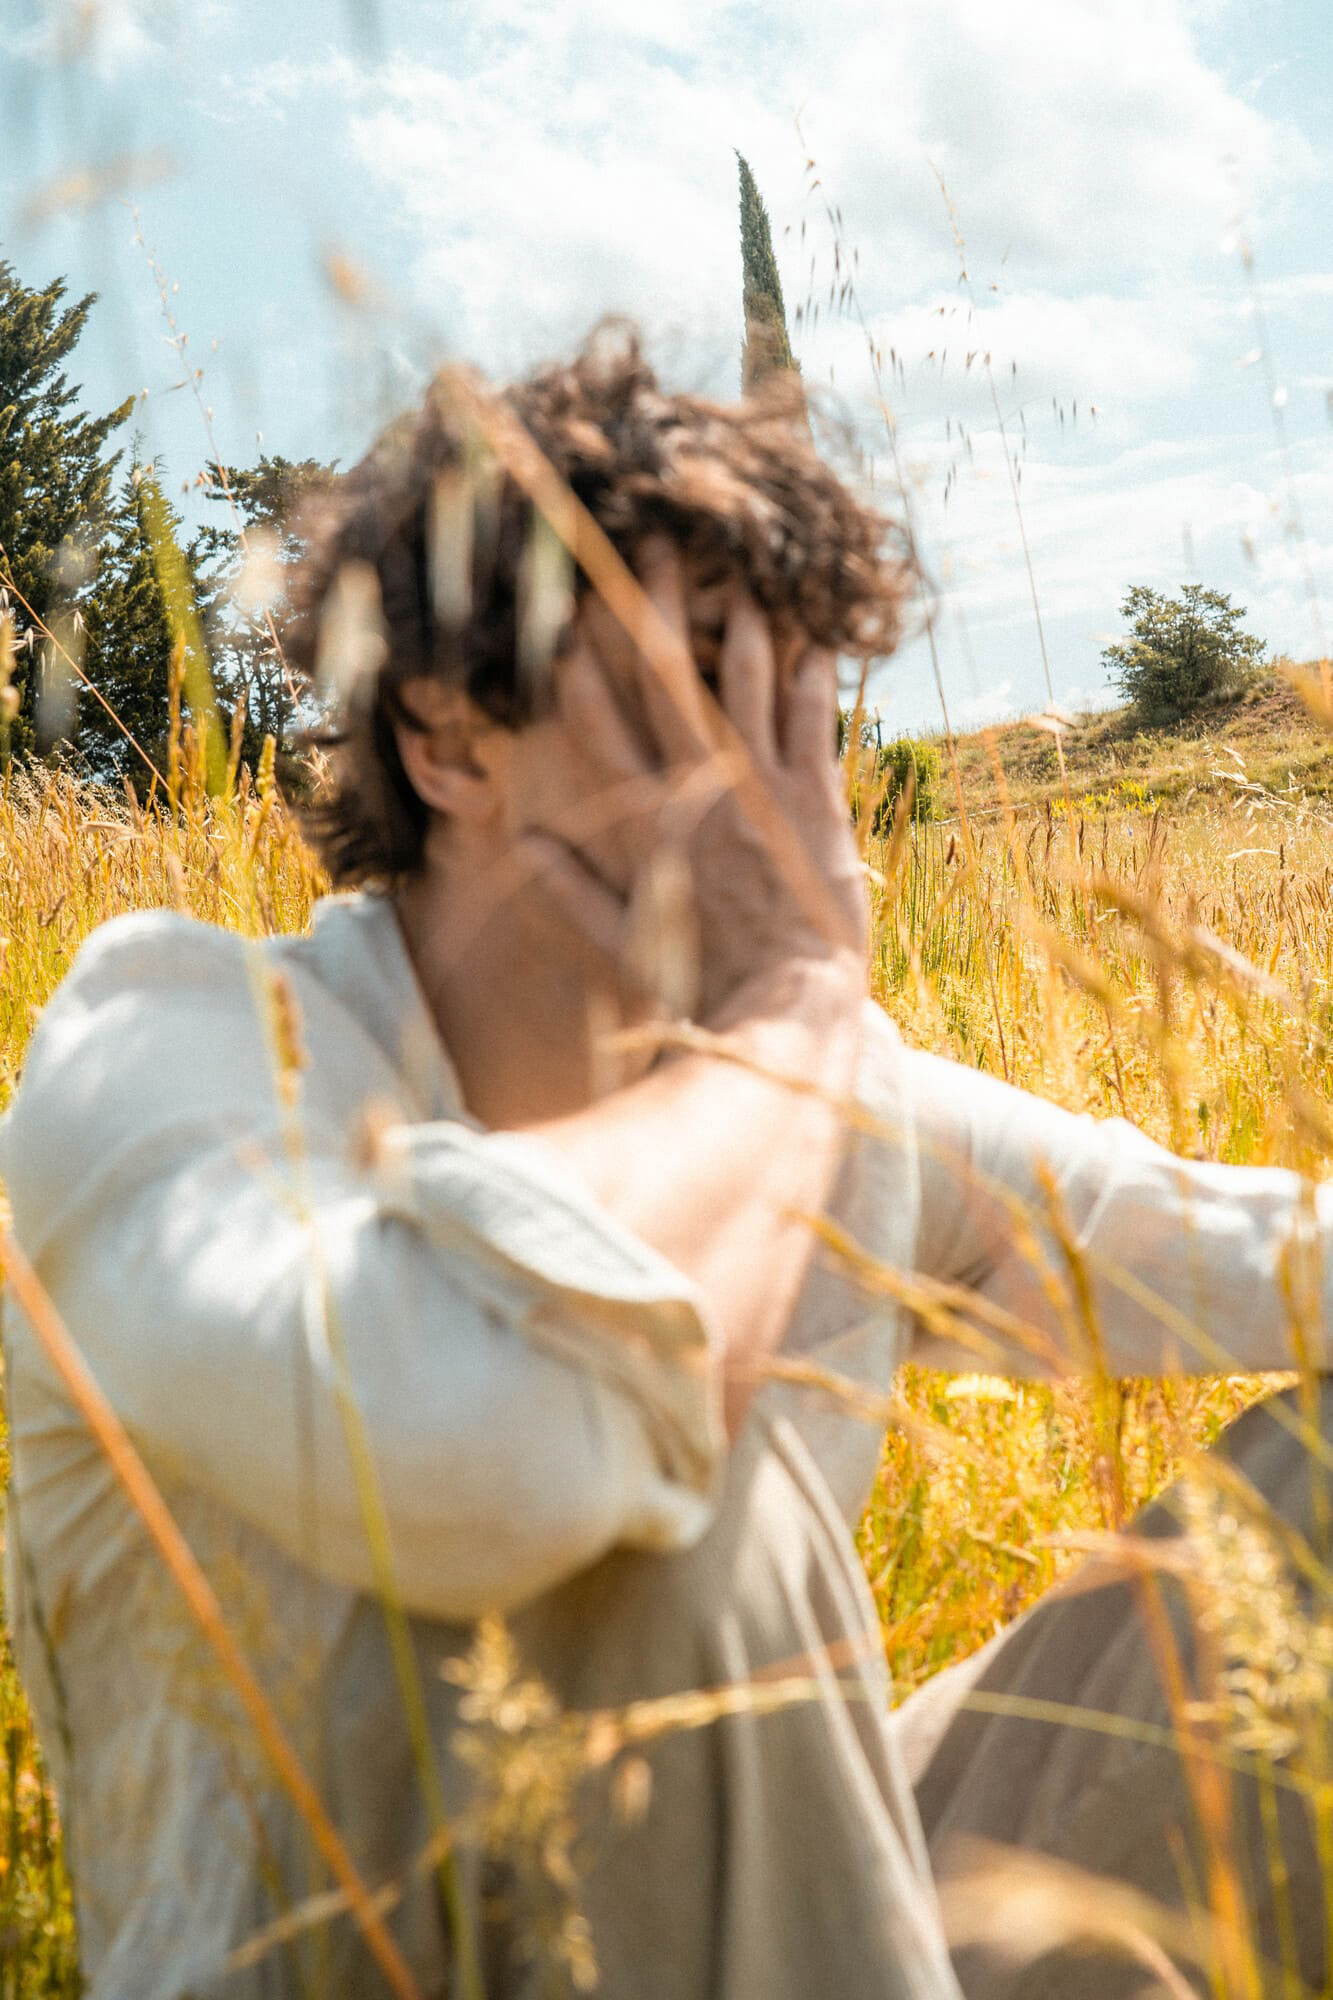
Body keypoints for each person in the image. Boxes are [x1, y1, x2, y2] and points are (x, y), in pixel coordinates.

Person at [0, 327, 1328, 2000]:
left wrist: (796, 1040)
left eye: (803, 708)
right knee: (669, 1530)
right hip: (390, 1961)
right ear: (446, 737)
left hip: (798, 1923)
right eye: (697, 683)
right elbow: (502, 1451)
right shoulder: (173, 1053)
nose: (781, 786)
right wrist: (796, 1004)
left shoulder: (828, 1102)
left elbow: (1258, 1251)